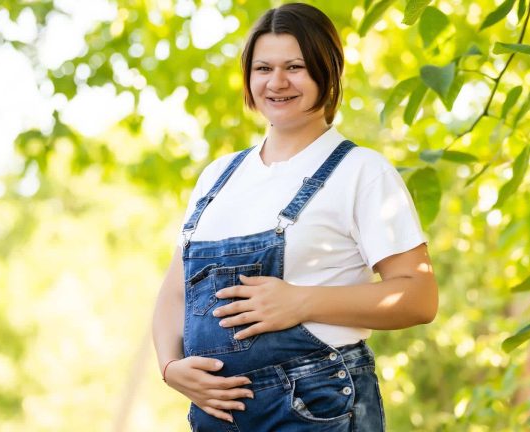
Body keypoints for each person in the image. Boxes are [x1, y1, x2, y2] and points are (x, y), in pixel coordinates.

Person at [151, 3, 438, 431]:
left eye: (296, 67)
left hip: (316, 407)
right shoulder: (218, 177)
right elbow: (175, 293)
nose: (277, 82)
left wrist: (299, 301)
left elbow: (418, 297)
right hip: (218, 413)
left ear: (328, 71)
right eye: (263, 67)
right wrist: (170, 366)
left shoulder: (361, 171)